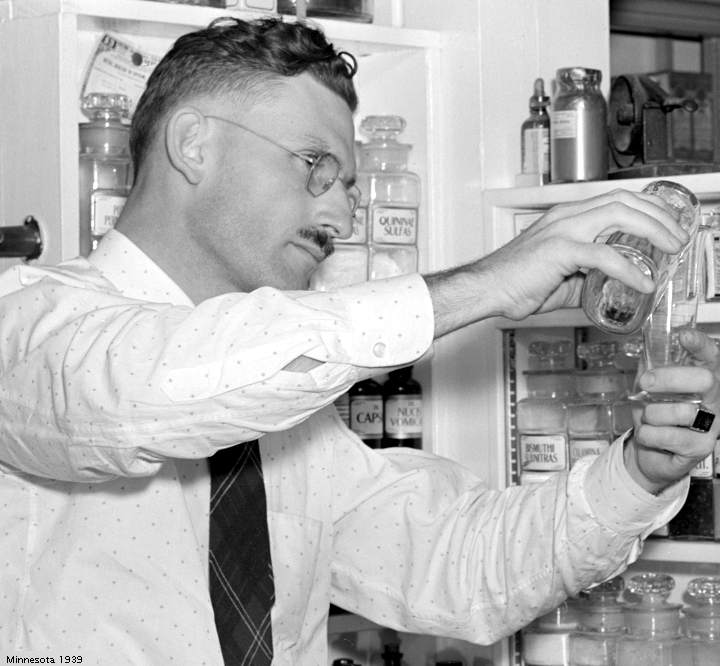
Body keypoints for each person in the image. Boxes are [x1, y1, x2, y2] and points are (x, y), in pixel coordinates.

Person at [0, 15, 717, 665]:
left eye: (348, 185)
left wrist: (642, 471)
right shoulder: (28, 323)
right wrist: (488, 283)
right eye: (314, 164)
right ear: (193, 144)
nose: (342, 219)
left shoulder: (288, 415)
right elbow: (140, 389)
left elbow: (461, 567)